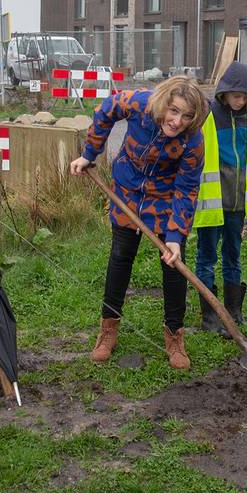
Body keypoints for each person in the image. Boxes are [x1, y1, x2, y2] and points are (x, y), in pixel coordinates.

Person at [69, 76, 208, 370]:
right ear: (163, 105)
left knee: (173, 267)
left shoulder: (193, 141)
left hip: (164, 198)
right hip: (127, 191)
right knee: (120, 257)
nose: (177, 121)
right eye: (174, 111)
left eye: (186, 116)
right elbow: (107, 109)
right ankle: (108, 330)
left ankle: (174, 336)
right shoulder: (139, 103)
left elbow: (187, 189)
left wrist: (174, 235)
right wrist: (89, 154)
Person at [194, 62, 247, 333]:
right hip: (212, 201)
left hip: (237, 203)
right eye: (236, 96)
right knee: (207, 256)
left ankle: (234, 312)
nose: (240, 101)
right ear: (224, 92)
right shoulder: (209, 116)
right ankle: (210, 316)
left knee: (233, 256)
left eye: (245, 96)